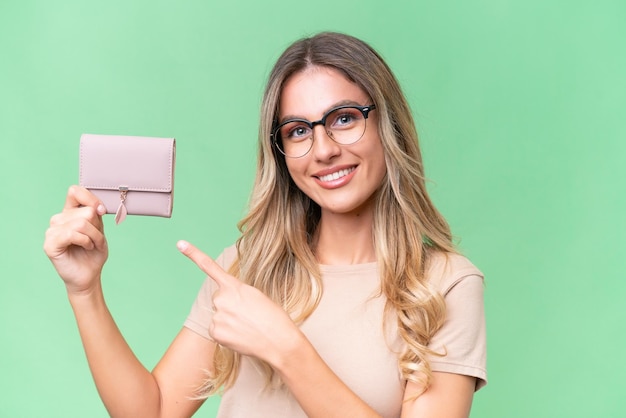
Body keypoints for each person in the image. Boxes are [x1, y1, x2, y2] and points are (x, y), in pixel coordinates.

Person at [44, 32, 486, 418]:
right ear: (281, 152)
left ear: (386, 124)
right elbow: (153, 411)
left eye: (344, 118)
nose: (323, 149)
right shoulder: (244, 270)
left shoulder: (445, 284)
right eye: (298, 130)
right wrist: (84, 291)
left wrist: (288, 350)